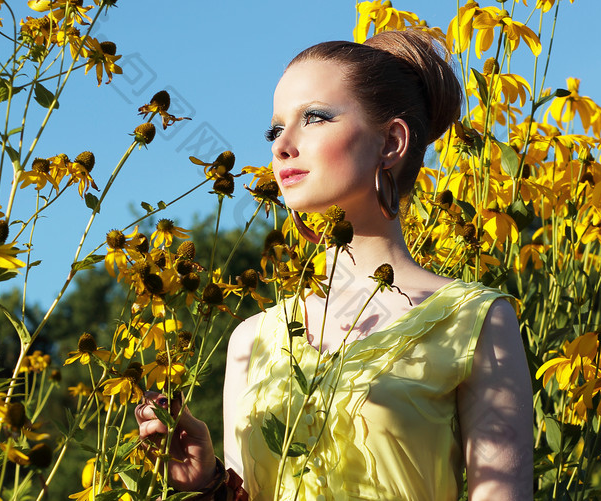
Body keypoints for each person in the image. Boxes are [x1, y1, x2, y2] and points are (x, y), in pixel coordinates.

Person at [136, 29, 533, 500]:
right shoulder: (253, 339)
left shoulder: (475, 320)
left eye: (315, 118)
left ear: (391, 142)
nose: (281, 145)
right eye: (274, 128)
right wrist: (207, 485)